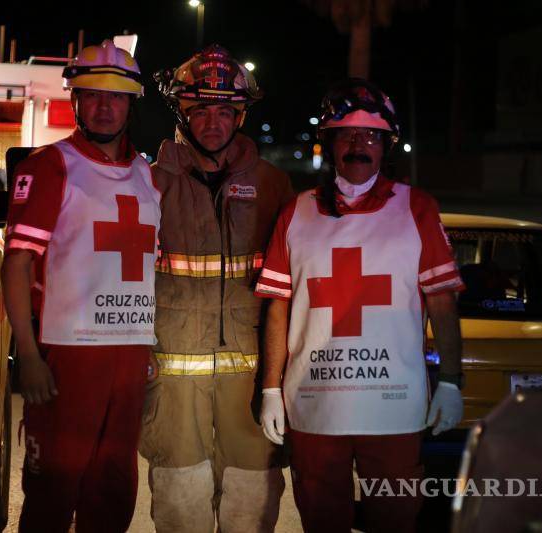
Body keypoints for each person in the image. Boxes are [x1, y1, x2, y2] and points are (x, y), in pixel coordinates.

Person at [256, 78, 465, 533]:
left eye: (370, 136)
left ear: (386, 145)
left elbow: (442, 301)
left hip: (394, 406)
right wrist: (271, 389)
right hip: (314, 402)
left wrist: (450, 380)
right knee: (320, 518)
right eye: (346, 135)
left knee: (394, 517)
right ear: (329, 143)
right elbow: (278, 306)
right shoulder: (296, 211)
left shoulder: (417, 208)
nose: (358, 145)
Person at [1, 40, 159, 533]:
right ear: (76, 100)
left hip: (130, 356)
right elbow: (17, 263)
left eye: (115, 97)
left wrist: (149, 347)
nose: (104, 107)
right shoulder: (50, 166)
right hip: (67, 356)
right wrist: (28, 355)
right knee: (53, 488)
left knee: (113, 488)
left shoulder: (145, 173)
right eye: (92, 95)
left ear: (131, 104)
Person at [139, 44, 293, 532]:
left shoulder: (273, 186)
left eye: (225, 111)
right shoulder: (147, 184)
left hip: (250, 379)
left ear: (240, 116)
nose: (213, 123)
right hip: (173, 376)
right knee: (180, 496)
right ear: (181, 114)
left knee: (252, 498)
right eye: (200, 110)